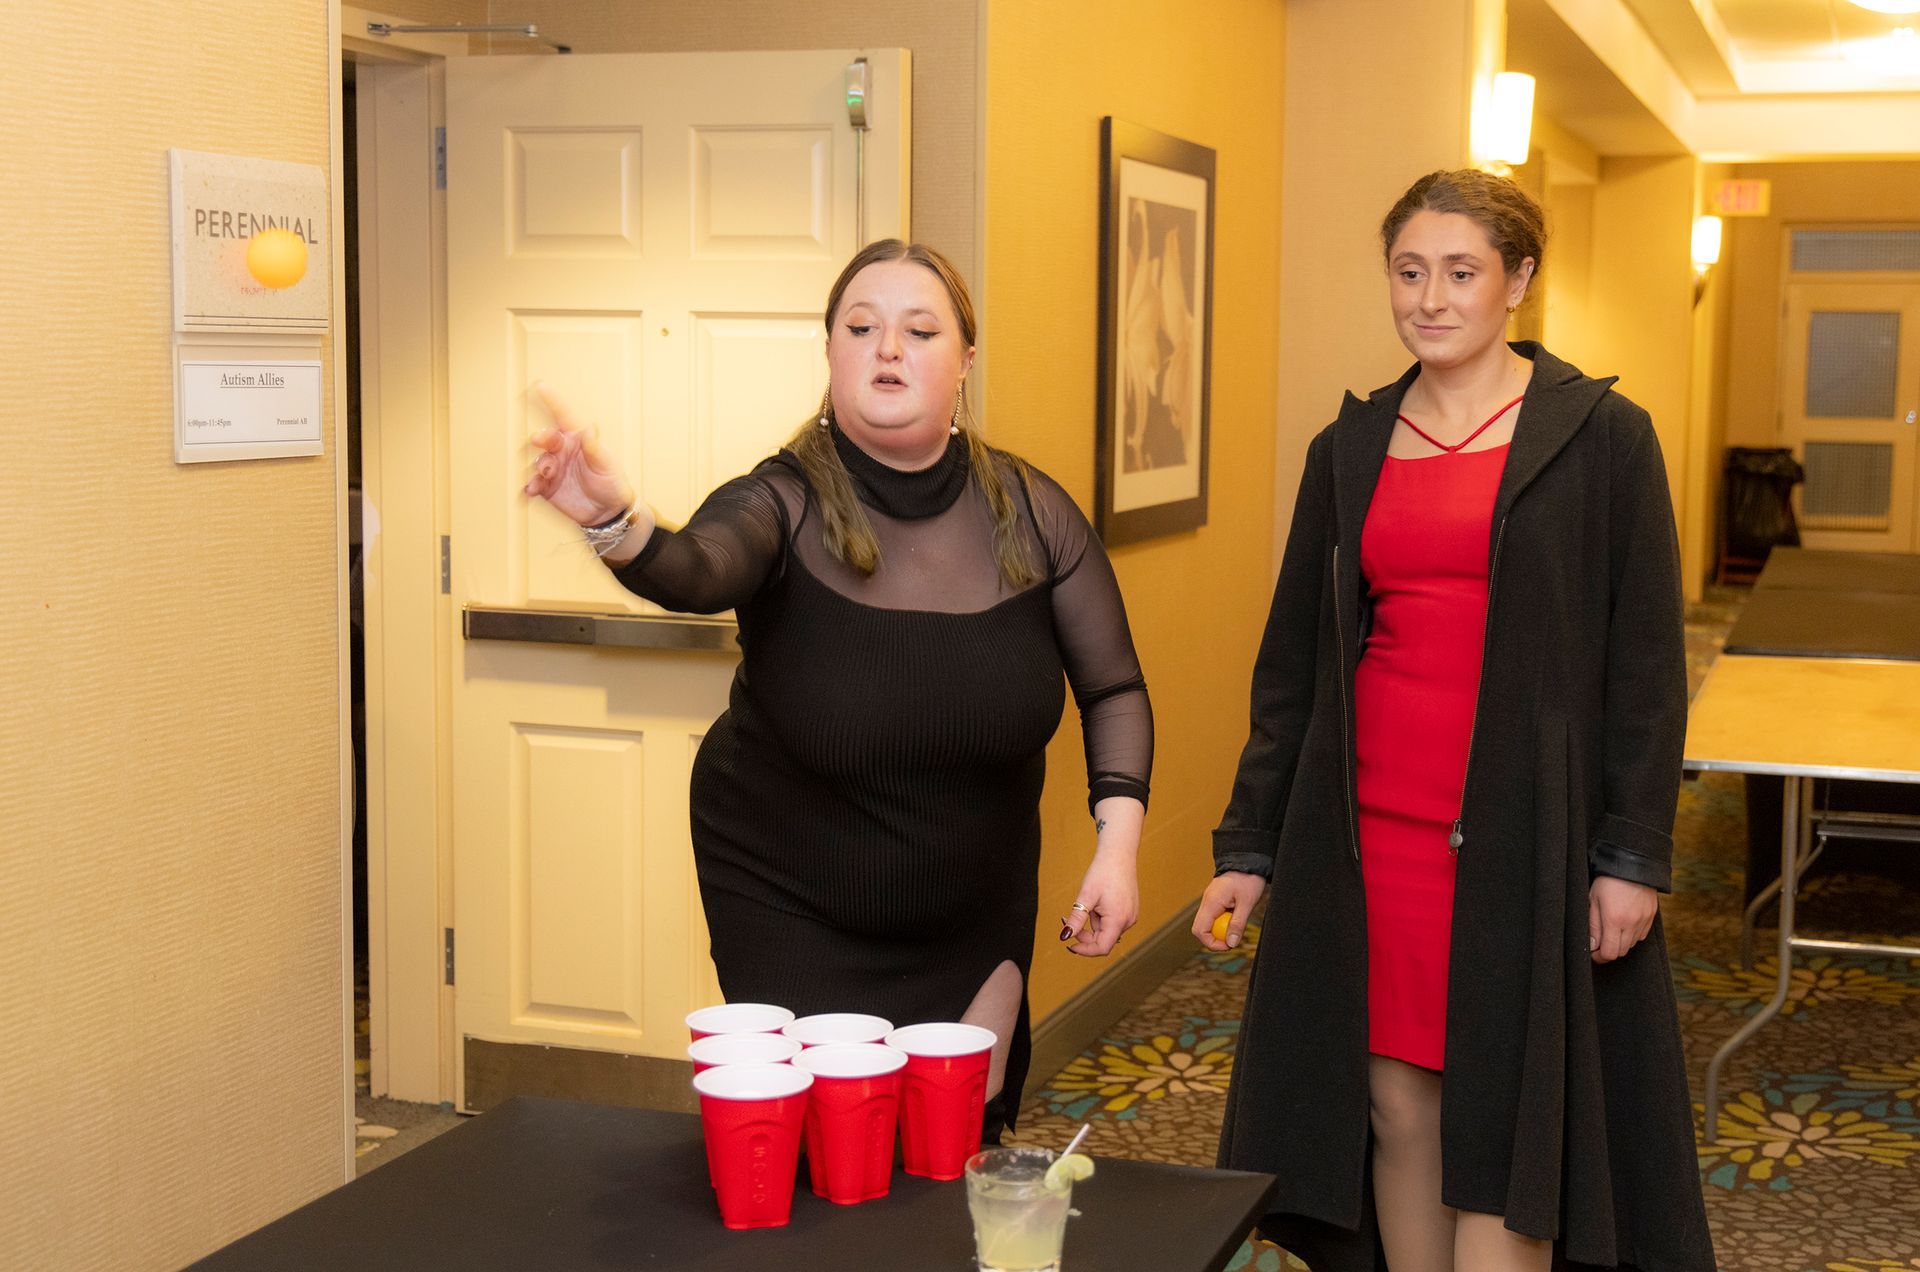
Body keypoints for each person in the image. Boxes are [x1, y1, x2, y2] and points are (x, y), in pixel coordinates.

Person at [1193, 170, 1715, 1272]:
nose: (1430, 298)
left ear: (1518, 281)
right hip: (1372, 829)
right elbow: (1293, 666)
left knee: (1503, 1109)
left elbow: (1645, 669)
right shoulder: (1349, 450)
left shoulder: (1602, 439)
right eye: (1409, 271)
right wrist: (1249, 844)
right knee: (1395, 1102)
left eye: (1462, 273)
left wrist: (1631, 855)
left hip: (1530, 835)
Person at [524, 239, 1152, 1139]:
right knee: (833, 1161)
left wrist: (1117, 851)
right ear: (830, 354)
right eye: (862, 327)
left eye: (919, 329)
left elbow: (1114, 688)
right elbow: (697, 572)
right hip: (793, 898)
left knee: (954, 1146)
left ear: (964, 362)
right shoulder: (781, 502)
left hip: (974, 901)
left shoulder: (1034, 513)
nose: (888, 347)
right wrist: (616, 522)